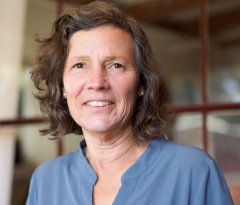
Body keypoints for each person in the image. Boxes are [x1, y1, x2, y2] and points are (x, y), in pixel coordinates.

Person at [26, 1, 233, 204]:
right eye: (80, 65)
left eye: (116, 65)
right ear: (62, 86)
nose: (97, 82)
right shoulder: (46, 179)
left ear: (142, 83)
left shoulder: (194, 171)